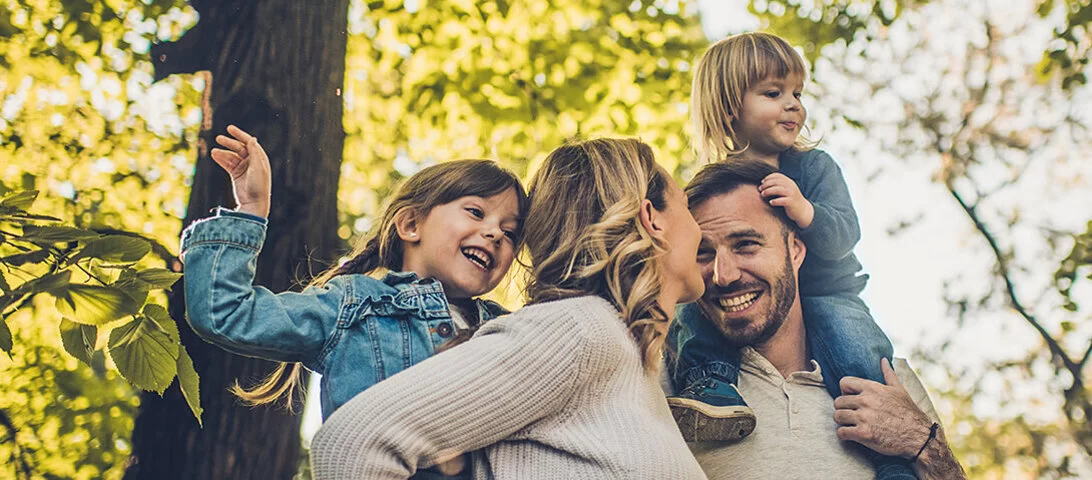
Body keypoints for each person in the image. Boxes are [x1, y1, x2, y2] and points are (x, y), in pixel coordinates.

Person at [308, 138, 708, 479]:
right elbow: (352, 442)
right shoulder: (579, 331)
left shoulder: (631, 360)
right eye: (687, 207)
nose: (700, 230)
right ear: (651, 217)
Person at [181, 125, 526, 479]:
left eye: (510, 231)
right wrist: (252, 209)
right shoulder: (354, 305)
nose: (496, 233)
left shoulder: (509, 330)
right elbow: (225, 312)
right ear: (410, 224)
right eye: (476, 212)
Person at [669, 30, 911, 475]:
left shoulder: (813, 167)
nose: (793, 105)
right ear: (729, 107)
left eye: (797, 93)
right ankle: (709, 387)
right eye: (773, 93)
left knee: (858, 349)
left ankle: (890, 462)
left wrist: (804, 210)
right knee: (691, 312)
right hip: (748, 310)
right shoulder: (711, 186)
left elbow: (844, 236)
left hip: (828, 295)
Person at [675, 160, 966, 480]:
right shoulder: (670, 388)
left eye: (746, 245)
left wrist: (919, 441)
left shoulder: (889, 384)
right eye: (703, 253)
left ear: (796, 251)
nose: (724, 275)